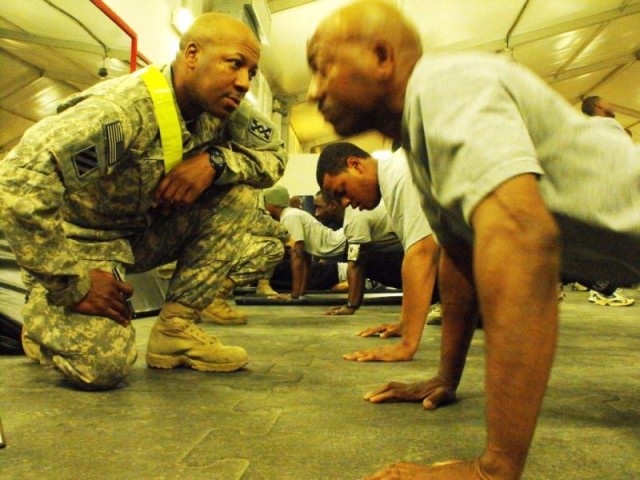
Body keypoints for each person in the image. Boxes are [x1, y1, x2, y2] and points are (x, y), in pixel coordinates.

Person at [307, 2, 640, 479]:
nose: (314, 89)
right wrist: (446, 377)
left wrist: (493, 469)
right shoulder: (417, 141)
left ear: (382, 56)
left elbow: (522, 237)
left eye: (323, 67)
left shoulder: (445, 86)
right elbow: (459, 261)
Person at [0, 13, 287, 391]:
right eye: (235, 64)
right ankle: (43, 316)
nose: (243, 82)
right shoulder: (121, 111)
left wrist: (216, 162)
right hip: (82, 244)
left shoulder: (225, 109)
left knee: (237, 191)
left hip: (140, 234)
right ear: (192, 55)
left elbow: (275, 157)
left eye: (251, 72)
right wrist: (73, 283)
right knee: (104, 367)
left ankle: (176, 330)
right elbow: (18, 180)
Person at [318, 145, 441, 363]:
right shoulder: (394, 179)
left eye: (342, 191)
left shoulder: (401, 174)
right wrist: (405, 324)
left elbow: (422, 253)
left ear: (355, 165)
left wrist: (406, 346)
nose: (345, 202)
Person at [200, 188, 290, 325]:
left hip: (191, 242)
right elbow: (255, 220)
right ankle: (214, 296)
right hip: (210, 244)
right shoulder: (249, 180)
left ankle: (186, 307)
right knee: (273, 247)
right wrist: (288, 237)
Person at [578, 96, 634, 307]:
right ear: (599, 106)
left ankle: (602, 289)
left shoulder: (586, 128)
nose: (612, 104)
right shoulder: (607, 124)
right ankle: (604, 289)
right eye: (607, 101)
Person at [263, 184, 346, 300]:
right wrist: (299, 294)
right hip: (340, 240)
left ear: (272, 204)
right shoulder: (292, 214)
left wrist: (294, 296)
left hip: (340, 241)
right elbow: (306, 258)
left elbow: (297, 257)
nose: (264, 208)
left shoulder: (289, 217)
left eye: (265, 203)